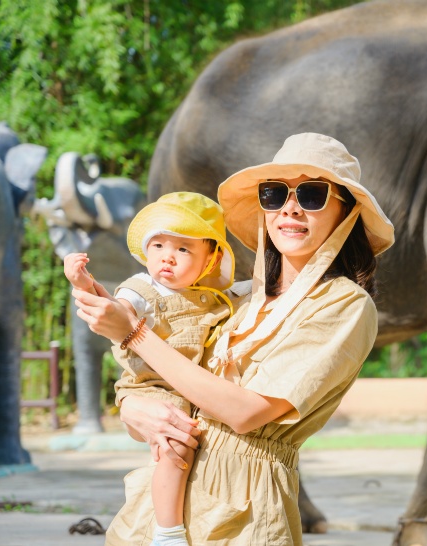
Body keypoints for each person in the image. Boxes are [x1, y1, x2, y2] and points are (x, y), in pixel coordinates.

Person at [72, 132, 394, 545]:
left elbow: (245, 412)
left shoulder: (344, 306)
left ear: (345, 214)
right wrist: (133, 409)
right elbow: (167, 388)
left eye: (312, 195)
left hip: (244, 515)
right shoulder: (231, 300)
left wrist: (134, 333)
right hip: (159, 513)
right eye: (275, 194)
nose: (290, 208)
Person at [64, 191, 237, 546]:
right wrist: (81, 281)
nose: (167, 258)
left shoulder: (214, 296)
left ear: (211, 258)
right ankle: (168, 531)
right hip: (152, 385)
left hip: (195, 387)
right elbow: (112, 308)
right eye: (158, 245)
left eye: (183, 249)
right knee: (175, 448)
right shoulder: (142, 288)